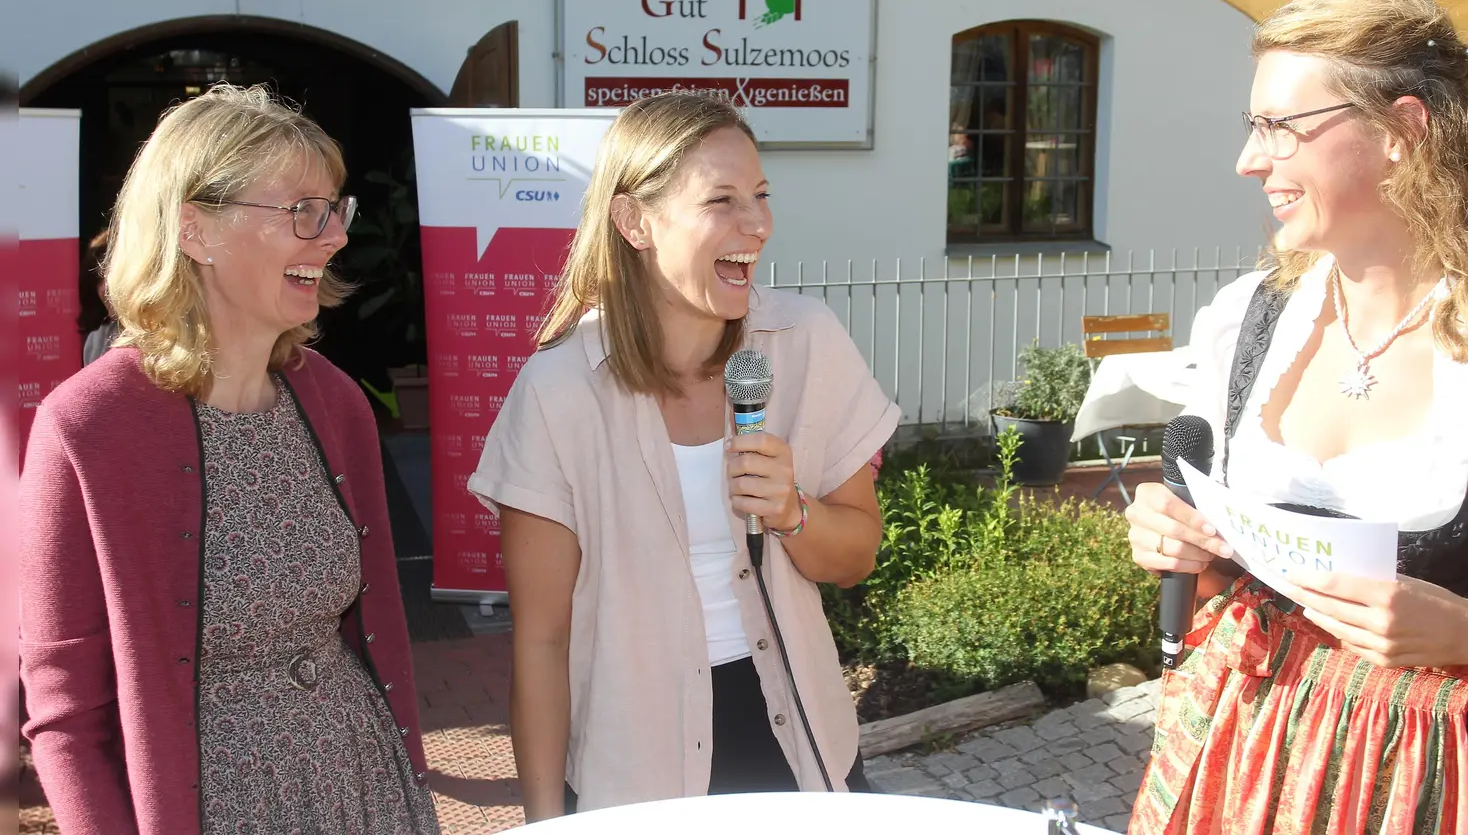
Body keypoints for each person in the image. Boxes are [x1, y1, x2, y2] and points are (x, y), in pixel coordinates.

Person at [1123, 0, 1468, 834]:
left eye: (1279, 129)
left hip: (1435, 783)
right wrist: (1176, 538)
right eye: (1253, 126)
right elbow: (1228, 569)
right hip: (1239, 753)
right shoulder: (1247, 317)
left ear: (1405, 130)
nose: (1248, 160)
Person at [19, 83, 440, 835]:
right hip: (210, 807)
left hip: (361, 785)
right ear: (195, 230)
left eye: (335, 209)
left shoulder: (333, 401)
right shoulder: (87, 427)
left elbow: (381, 636)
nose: (334, 235)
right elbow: (65, 718)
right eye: (300, 210)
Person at [468, 91, 899, 820]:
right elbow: (541, 643)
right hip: (632, 766)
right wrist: (543, 821)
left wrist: (794, 512)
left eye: (760, 196)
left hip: (803, 745)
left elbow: (855, 557)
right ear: (634, 221)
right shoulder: (558, 392)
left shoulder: (807, 341)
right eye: (722, 200)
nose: (757, 225)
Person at [78, 229, 120, 366]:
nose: (105, 288)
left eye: (112, 275)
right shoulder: (96, 340)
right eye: (99, 279)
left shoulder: (168, 337)